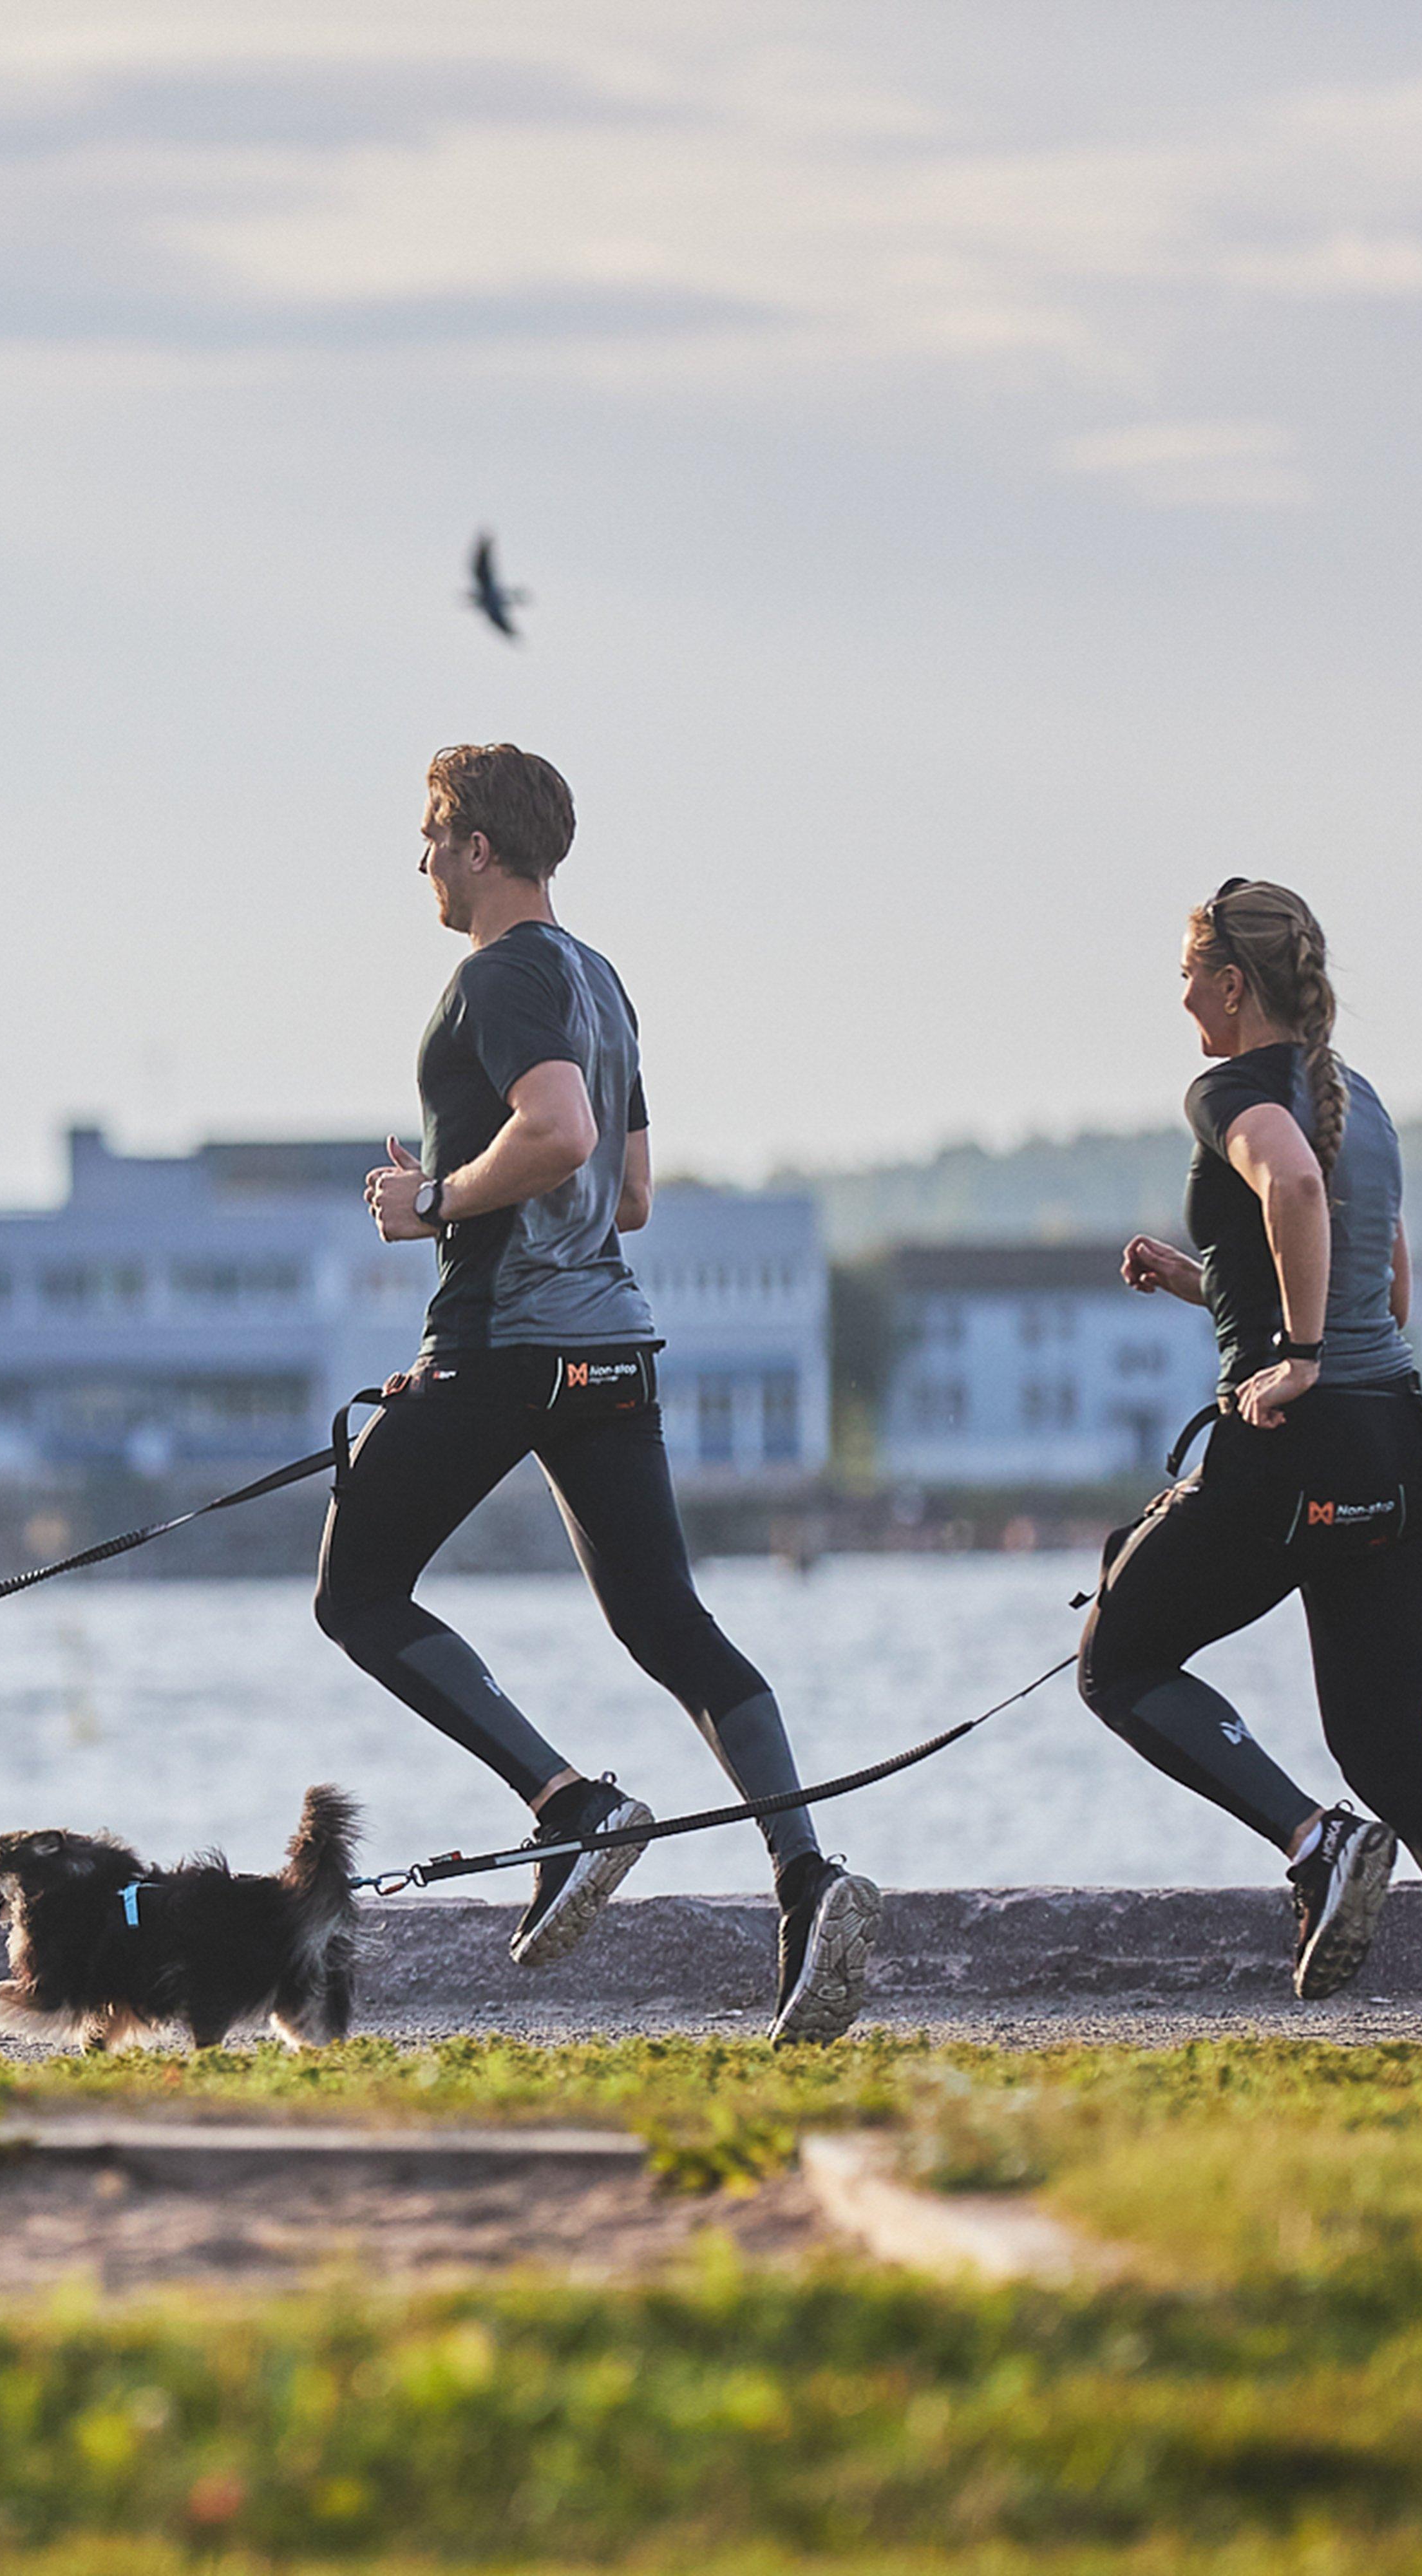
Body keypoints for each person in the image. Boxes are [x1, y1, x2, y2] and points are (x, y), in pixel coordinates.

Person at [314, 742, 880, 2044]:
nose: (417, 864)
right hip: (605, 1348)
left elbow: (561, 1133)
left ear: (472, 844)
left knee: (353, 1591)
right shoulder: (601, 983)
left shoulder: (498, 975)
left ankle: (566, 1807)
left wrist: (433, 1202)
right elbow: (625, 1195)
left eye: (426, 837)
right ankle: (804, 1875)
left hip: (508, 1344)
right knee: (665, 1621)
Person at [1079, 878, 1422, 1996]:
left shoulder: (1230, 1091)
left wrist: (1295, 1354)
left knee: (1120, 1659)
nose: (1183, 1001)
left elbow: (1293, 1184)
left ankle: (1316, 1840)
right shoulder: (1365, 1100)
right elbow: (1385, 1297)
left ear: (1231, 983)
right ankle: (1349, 1835)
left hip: (1293, 1449)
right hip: (1399, 1449)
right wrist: (1201, 1283)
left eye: (1186, 979)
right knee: (1394, 1754)